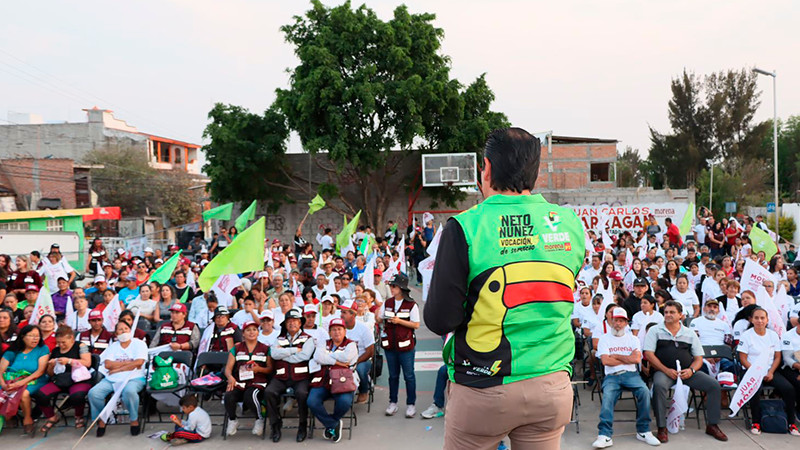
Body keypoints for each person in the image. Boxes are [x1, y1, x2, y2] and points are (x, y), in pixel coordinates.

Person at [425, 128, 585, 450]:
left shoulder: (466, 226)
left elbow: (441, 319)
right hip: (550, 382)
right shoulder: (569, 223)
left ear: (486, 168)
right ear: (535, 173)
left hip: (484, 385)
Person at [644, 301, 727, 443]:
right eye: (666, 312)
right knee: (658, 386)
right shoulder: (655, 330)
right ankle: (662, 427)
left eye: (672, 312)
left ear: (681, 315)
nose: (668, 315)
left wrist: (692, 370)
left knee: (713, 385)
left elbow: (698, 358)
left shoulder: (689, 333)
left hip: (687, 372)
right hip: (664, 372)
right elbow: (649, 354)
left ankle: (712, 425)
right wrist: (665, 370)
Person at [592, 307, 660, 448]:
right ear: (611, 321)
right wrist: (626, 358)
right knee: (608, 397)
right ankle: (604, 434)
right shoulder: (604, 339)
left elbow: (636, 359)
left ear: (626, 323)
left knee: (644, 392)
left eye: (621, 321)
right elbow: (605, 361)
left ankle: (643, 431)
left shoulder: (633, 339)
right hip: (612, 376)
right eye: (615, 320)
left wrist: (616, 356)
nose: (618, 323)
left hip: (631, 375)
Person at [738, 307, 800, 435]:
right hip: (751, 371)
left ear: (767, 320)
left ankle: (791, 423)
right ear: (751, 319)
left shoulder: (773, 335)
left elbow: (777, 357)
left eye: (762, 318)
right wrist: (756, 372)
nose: (759, 321)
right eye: (756, 318)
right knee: (755, 389)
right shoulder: (746, 335)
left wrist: (771, 372)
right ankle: (756, 422)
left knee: (788, 389)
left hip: (770, 371)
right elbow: (742, 358)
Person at [89, 320, 148, 437]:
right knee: (93, 393)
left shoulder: (139, 344)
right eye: (120, 329)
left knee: (129, 392)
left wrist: (118, 368)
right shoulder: (113, 346)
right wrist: (128, 363)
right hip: (112, 378)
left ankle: (134, 420)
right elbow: (108, 365)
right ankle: (102, 419)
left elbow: (139, 363)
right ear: (116, 333)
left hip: (134, 377)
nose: (123, 331)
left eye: (126, 329)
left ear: (130, 330)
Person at [264, 308, 315, 442]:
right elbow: (274, 354)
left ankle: (302, 426)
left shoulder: (308, 339)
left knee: (302, 394)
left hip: (301, 378)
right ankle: (275, 425)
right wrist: (293, 350)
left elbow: (305, 356)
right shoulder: (279, 339)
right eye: (289, 321)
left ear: (300, 323)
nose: (292, 323)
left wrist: (284, 354)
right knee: (269, 392)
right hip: (281, 377)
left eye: (295, 321)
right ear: (285, 324)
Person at [33, 325, 93, 434]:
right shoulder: (56, 351)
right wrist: (50, 366)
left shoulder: (81, 346)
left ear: (71, 338)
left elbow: (87, 362)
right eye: (59, 342)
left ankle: (78, 415)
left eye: (63, 342)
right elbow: (51, 374)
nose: (61, 345)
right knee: (40, 394)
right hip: (60, 379)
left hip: (79, 378)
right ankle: (51, 417)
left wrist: (69, 361)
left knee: (77, 395)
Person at [307, 317, 358, 443]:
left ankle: (331, 423)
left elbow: (346, 358)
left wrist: (327, 356)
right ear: (329, 332)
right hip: (323, 380)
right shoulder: (323, 342)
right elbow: (317, 356)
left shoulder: (351, 344)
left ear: (345, 331)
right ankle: (332, 424)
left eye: (339, 329)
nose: (337, 332)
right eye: (333, 330)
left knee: (345, 401)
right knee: (312, 401)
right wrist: (336, 361)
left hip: (343, 381)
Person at [379, 273, 420, 417]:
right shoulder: (387, 302)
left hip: (406, 347)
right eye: (391, 285)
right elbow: (379, 317)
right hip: (390, 346)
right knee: (393, 376)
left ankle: (411, 404)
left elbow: (416, 324)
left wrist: (399, 321)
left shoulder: (411, 304)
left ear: (401, 288)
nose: (391, 288)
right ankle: (393, 402)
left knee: (409, 376)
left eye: (394, 286)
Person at [223, 320, 272, 438]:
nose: (251, 332)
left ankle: (259, 419)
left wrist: (259, 369)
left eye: (254, 330)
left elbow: (270, 369)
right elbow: (228, 369)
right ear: (243, 333)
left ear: (258, 332)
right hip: (240, 382)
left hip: (257, 382)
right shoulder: (236, 348)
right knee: (228, 395)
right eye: (248, 330)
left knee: (250, 396)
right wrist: (230, 378)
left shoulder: (265, 348)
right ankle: (232, 420)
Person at [0, 324, 50, 435]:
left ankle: (27, 419)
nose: (35, 338)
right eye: (31, 335)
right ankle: (9, 417)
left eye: (37, 336)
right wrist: (3, 384)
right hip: (11, 380)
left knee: (24, 394)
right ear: (23, 337)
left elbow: (40, 371)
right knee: (3, 391)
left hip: (35, 380)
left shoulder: (42, 349)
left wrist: (20, 383)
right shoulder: (13, 350)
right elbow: (1, 370)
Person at [339, 298, 375, 404]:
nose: (341, 315)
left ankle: (364, 390)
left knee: (359, 369)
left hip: (362, 359)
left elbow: (370, 351)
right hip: (343, 358)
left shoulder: (364, 329)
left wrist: (355, 362)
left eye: (344, 312)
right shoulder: (338, 328)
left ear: (353, 314)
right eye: (341, 312)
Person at [689, 299, 735, 373]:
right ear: (703, 309)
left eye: (715, 307)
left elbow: (728, 344)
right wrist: (706, 356)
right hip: (701, 355)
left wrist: (719, 356)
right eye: (709, 306)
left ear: (718, 311)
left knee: (730, 365)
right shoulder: (695, 322)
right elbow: (693, 342)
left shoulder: (724, 325)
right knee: (700, 367)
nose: (712, 309)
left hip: (721, 356)